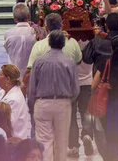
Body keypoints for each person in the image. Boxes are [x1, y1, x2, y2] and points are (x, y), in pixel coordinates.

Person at [28, 30, 80, 161]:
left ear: (49, 43)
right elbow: (75, 88)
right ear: (63, 44)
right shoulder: (69, 61)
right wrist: (68, 99)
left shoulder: (39, 62)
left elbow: (32, 87)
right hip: (63, 102)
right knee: (62, 142)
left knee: (44, 141)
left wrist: (32, 105)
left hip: (42, 102)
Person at [0, 64, 31, 140]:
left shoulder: (14, 99)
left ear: (7, 79)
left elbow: (9, 124)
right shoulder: (2, 92)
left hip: (15, 141)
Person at [3, 3, 36, 73]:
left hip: (14, 74)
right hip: (31, 73)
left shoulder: (8, 33)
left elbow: (8, 50)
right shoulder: (35, 32)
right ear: (29, 16)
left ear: (14, 18)